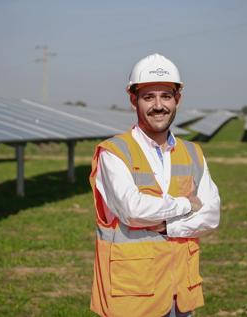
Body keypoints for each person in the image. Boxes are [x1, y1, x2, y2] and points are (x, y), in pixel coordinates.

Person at [89, 53, 221, 317]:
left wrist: (167, 225)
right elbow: (132, 210)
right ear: (133, 100)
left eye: (166, 96)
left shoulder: (193, 152)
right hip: (132, 296)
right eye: (149, 97)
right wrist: (186, 204)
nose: (159, 105)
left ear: (177, 99)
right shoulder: (114, 152)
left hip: (180, 294)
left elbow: (211, 215)